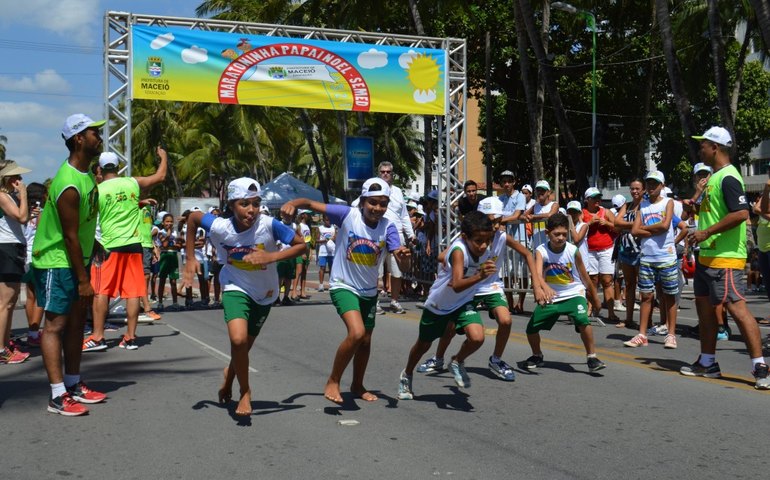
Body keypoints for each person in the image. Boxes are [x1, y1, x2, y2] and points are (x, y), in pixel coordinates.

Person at [282, 177, 410, 404]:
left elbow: (399, 255)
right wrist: (293, 202)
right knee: (357, 333)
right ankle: (333, 380)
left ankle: (357, 384)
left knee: (366, 341)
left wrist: (402, 255)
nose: (377, 208)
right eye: (373, 202)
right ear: (362, 201)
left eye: (383, 203)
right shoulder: (347, 215)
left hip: (369, 292)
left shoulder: (388, 226)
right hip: (343, 285)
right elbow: (311, 205)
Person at [183, 178, 305, 416]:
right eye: (244, 204)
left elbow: (302, 246)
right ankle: (245, 392)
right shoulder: (220, 226)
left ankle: (228, 379)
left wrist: (270, 258)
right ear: (231, 205)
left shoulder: (269, 225)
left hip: (265, 293)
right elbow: (193, 218)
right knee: (238, 341)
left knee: (243, 348)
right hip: (234, 286)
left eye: (256, 204)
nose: (252, 210)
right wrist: (190, 257)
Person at [415, 197, 550, 382]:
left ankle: (496, 360)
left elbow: (527, 253)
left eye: (497, 221)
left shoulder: (502, 236)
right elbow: (441, 256)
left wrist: (537, 283)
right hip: (470, 286)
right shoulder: (469, 239)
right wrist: (453, 270)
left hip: (491, 285)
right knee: (450, 328)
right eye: (490, 221)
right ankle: (438, 359)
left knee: (506, 320)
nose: (494, 226)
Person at [681, 126, 769, 389]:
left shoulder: (729, 177)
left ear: (715, 148)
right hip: (707, 256)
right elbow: (716, 211)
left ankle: (760, 367)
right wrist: (695, 205)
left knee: (738, 310)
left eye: (703, 145)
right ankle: (707, 362)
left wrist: (705, 231)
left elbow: (741, 214)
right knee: (705, 312)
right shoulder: (714, 178)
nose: (701, 149)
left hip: (725, 258)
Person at [32, 114, 107, 415]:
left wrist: (96, 245)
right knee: (55, 325)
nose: (99, 137)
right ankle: (57, 394)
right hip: (56, 260)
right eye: (93, 133)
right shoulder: (68, 183)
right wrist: (83, 279)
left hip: (77, 259)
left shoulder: (87, 175)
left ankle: (74, 383)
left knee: (77, 323)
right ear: (79, 139)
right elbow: (70, 235)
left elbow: (84, 225)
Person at [398, 210, 497, 400]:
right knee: (423, 345)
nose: (483, 246)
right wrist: (479, 275)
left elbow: (442, 257)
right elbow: (457, 284)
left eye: (487, 240)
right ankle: (407, 374)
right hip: (439, 304)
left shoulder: (482, 250)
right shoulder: (459, 251)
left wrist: (446, 259)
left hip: (463, 302)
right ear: (465, 237)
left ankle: (457, 361)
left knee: (477, 338)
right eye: (478, 241)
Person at [83, 149, 167, 352]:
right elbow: (160, 176)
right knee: (133, 293)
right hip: (134, 246)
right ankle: (130, 338)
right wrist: (163, 157)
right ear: (119, 167)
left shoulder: (98, 190)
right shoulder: (132, 183)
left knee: (101, 291)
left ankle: (98, 337)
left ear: (100, 169)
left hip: (109, 246)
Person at [522, 213, 607, 373]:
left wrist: (595, 298)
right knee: (531, 328)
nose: (561, 237)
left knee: (583, 320)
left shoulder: (573, 250)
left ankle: (592, 357)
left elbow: (584, 276)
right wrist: (542, 288)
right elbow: (538, 274)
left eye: (564, 234)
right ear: (547, 233)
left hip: (574, 292)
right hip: (551, 296)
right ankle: (537, 355)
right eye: (556, 234)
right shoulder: (542, 250)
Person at [623, 171, 679, 349]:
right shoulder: (644, 206)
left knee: (669, 297)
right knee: (646, 296)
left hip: (666, 256)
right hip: (647, 257)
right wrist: (651, 229)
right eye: (649, 183)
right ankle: (642, 334)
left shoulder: (667, 203)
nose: (652, 187)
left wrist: (645, 228)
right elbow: (634, 231)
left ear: (662, 185)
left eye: (655, 183)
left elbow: (665, 225)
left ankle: (671, 334)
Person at [0, 160, 32, 364]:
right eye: (16, 178)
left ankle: (5, 343)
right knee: (5, 303)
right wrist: (24, 195)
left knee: (9, 303)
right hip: (7, 248)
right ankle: (1, 349)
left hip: (13, 247)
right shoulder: (3, 196)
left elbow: (24, 217)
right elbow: (21, 217)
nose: (20, 181)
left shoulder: (7, 196)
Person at [376, 161, 414, 314]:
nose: (385, 174)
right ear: (379, 173)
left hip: (397, 235)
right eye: (383, 171)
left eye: (388, 172)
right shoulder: (374, 188)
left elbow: (404, 215)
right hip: (378, 233)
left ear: (392, 174)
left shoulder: (398, 192)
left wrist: (411, 234)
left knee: (397, 271)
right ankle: (375, 302)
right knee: (376, 271)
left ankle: (395, 301)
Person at [582, 187, 619, 321]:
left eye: (599, 197)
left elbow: (618, 227)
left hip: (606, 249)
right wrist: (589, 223)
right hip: (590, 251)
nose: (598, 200)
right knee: (592, 281)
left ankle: (610, 312)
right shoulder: (583, 213)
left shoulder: (606, 212)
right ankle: (590, 309)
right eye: (594, 198)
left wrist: (607, 223)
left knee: (607, 280)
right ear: (587, 200)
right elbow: (577, 229)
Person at [613, 179, 644, 328]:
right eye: (632, 188)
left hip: (641, 250)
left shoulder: (646, 205)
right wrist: (635, 224)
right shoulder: (628, 205)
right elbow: (616, 223)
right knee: (629, 284)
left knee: (644, 287)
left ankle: (646, 321)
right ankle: (629, 318)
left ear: (643, 190)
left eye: (638, 188)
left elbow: (645, 224)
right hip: (626, 249)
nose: (634, 191)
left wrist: (627, 225)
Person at [498, 170, 528, 314]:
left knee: (521, 271)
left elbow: (517, 215)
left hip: (519, 239)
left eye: (509, 181)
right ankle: (510, 304)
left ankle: (520, 303)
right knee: (506, 272)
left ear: (514, 182)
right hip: (504, 239)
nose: (506, 184)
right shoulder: (500, 198)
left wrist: (501, 220)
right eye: (504, 181)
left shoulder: (520, 196)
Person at [23, 182, 47, 348]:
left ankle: (32, 330)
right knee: (40, 297)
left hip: (23, 257)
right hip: (38, 257)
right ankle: (33, 333)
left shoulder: (21, 212)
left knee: (30, 296)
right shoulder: (43, 213)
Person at [524, 180, 559, 251]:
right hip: (537, 242)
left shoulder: (554, 204)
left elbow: (550, 215)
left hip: (550, 243)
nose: (540, 192)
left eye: (543, 190)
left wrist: (534, 216)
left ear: (548, 192)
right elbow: (524, 215)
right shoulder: (535, 206)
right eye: (538, 190)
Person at [156, 212, 181, 310]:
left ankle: (175, 302)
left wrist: (175, 243)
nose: (169, 223)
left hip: (173, 256)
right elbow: (165, 244)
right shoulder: (160, 232)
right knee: (162, 280)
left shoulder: (175, 233)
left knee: (173, 280)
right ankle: (160, 302)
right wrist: (168, 235)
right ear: (163, 222)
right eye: (167, 221)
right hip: (164, 256)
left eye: (171, 222)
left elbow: (178, 245)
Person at [316, 214, 336, 292]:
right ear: (324, 220)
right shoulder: (320, 228)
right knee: (322, 268)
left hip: (331, 252)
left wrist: (334, 238)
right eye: (327, 220)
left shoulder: (333, 228)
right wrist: (325, 240)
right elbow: (317, 240)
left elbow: (336, 238)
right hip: (323, 251)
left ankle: (331, 284)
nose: (329, 222)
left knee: (331, 268)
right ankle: (321, 285)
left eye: (329, 220)